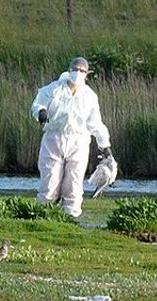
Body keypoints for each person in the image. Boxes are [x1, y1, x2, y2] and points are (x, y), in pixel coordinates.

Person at [30, 56, 112, 218]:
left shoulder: (89, 96)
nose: (77, 73)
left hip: (79, 142)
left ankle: (71, 218)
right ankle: (43, 216)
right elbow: (38, 104)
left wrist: (105, 146)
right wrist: (41, 113)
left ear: (86, 74)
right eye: (75, 69)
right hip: (54, 138)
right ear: (69, 71)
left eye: (81, 70)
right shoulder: (54, 89)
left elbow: (95, 123)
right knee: (50, 180)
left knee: (74, 183)